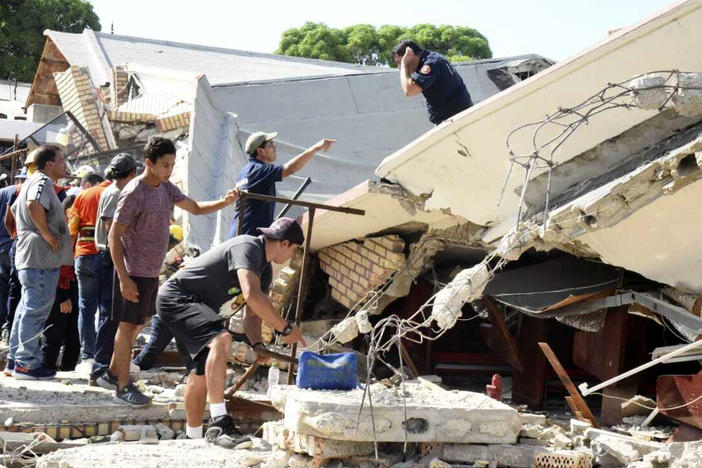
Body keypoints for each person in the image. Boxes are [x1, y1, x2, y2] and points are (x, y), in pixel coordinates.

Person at [100, 137, 238, 406]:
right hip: (133, 270)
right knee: (128, 328)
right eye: (165, 165)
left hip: (151, 271)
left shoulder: (166, 188)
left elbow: (195, 208)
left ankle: (112, 374)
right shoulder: (133, 192)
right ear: (149, 163)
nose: (169, 170)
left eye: (172, 165)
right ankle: (123, 386)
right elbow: (114, 237)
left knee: (137, 324)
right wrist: (124, 278)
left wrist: (224, 202)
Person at [158, 217, 306, 442]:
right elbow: (251, 295)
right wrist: (284, 328)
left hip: (197, 309)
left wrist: (257, 344)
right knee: (221, 338)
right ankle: (219, 422)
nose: (292, 255)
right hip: (178, 299)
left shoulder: (263, 270)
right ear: (284, 243)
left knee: (199, 374)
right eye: (294, 249)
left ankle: (193, 438)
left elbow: (252, 315)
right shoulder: (248, 247)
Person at [7, 145, 72, 380]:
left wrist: (26, 234)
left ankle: (16, 360)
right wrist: (46, 235)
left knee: (26, 309)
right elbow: (32, 205)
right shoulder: (42, 181)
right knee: (35, 311)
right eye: (61, 161)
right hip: (40, 258)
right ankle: (26, 364)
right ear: (49, 164)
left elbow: (12, 213)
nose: (65, 165)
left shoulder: (30, 182)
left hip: (30, 256)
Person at [89, 153, 141, 386]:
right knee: (109, 316)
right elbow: (112, 231)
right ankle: (100, 368)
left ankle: (107, 366)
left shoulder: (118, 192)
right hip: (110, 259)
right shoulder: (114, 193)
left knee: (114, 316)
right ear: (131, 174)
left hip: (113, 259)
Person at [229, 132, 335, 237]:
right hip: (249, 237)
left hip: (237, 234)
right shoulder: (260, 170)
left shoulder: (243, 173)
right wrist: (316, 148)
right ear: (260, 151)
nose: (274, 148)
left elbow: (238, 205)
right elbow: (289, 169)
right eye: (270, 145)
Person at [68, 170, 110, 373]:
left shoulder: (82, 196)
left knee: (86, 308)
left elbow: (72, 230)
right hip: (106, 257)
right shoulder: (115, 192)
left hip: (83, 255)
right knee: (106, 308)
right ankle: (104, 356)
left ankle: (87, 357)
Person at [392, 40, 473, 125]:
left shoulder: (431, 63)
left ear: (410, 55)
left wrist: (404, 64)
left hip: (457, 120)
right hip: (452, 119)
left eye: (399, 62)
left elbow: (409, 90)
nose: (399, 67)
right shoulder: (429, 60)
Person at [41, 195, 81, 372]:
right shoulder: (61, 232)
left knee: (73, 329)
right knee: (55, 330)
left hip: (70, 283)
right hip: (60, 285)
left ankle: (68, 367)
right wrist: (63, 296)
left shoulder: (71, 232)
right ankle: (46, 366)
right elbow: (59, 264)